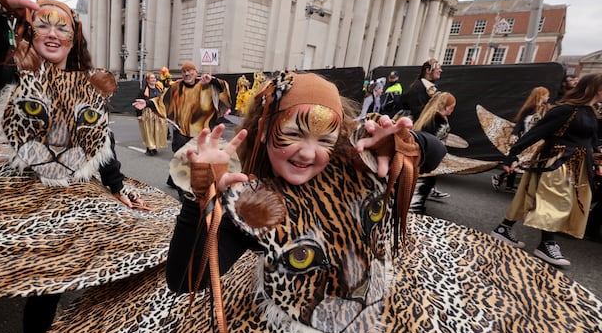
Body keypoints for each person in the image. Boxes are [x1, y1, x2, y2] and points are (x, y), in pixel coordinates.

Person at [0, 0, 138, 333]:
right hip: (27, 196)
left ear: (74, 36)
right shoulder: (12, 75)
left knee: (76, 277)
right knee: (42, 286)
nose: (54, 31)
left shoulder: (86, 84)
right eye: (44, 22)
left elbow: (103, 141)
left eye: (63, 25)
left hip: (75, 195)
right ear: (31, 31)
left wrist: (118, 186)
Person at [164, 72, 445, 294]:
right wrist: (199, 201)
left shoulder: (353, 160)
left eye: (324, 140)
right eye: (294, 134)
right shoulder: (251, 199)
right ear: (264, 132)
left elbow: (436, 153)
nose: (308, 153)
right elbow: (184, 282)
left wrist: (402, 144)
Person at [491, 73, 602, 267]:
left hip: (578, 165)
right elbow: (537, 132)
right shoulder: (566, 109)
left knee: (532, 197)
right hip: (558, 162)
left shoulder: (592, 112)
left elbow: (592, 142)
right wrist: (512, 155)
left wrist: (597, 162)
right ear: (596, 88)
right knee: (557, 201)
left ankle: (504, 228)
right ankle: (547, 243)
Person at [134, 61, 231, 154]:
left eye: (189, 71)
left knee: (199, 166)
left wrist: (213, 80)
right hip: (181, 134)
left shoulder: (206, 85)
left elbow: (224, 88)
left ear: (195, 72)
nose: (186, 74)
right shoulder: (176, 87)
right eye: (184, 71)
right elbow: (162, 100)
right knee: (180, 166)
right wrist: (147, 103)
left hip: (202, 134)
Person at [492, 86, 551, 193]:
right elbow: (520, 122)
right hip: (525, 138)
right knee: (518, 161)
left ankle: (507, 183)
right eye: (547, 95)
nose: (548, 97)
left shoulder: (544, 109)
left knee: (524, 162)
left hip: (535, 140)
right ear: (541, 96)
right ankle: (501, 179)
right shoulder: (530, 108)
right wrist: (514, 134)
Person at [409, 91, 456, 215]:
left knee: (427, 182)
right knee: (423, 183)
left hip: (427, 155)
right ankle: (414, 211)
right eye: (452, 108)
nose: (452, 111)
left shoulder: (435, 117)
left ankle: (414, 208)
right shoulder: (436, 120)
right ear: (446, 107)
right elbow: (428, 139)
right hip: (425, 156)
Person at [132, 71, 167, 156]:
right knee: (148, 131)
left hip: (157, 114)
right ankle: (150, 148)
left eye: (154, 78)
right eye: (151, 78)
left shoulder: (159, 89)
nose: (153, 80)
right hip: (147, 114)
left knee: (157, 131)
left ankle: (154, 146)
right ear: (147, 80)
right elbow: (138, 103)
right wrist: (139, 115)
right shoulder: (143, 91)